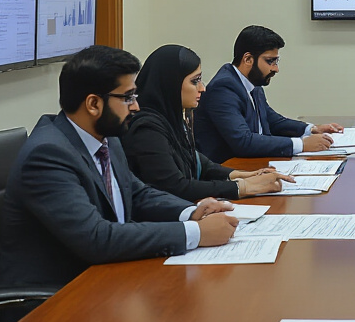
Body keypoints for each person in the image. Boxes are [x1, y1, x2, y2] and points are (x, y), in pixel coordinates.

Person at [0, 45, 238, 290]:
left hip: (107, 276)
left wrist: (191, 212)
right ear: (93, 104)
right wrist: (195, 233)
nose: (136, 107)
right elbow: (96, 237)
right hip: (56, 296)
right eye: (127, 97)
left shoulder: (106, 136)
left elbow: (136, 193)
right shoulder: (48, 155)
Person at [121, 44, 294, 204]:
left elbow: (198, 162)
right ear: (170, 84)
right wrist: (243, 187)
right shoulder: (146, 129)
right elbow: (175, 186)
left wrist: (243, 175)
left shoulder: (171, 117)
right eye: (194, 81)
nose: (202, 88)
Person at [194, 25, 343, 162]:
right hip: (230, 169)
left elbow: (271, 120)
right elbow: (243, 141)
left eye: (276, 61)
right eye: (270, 61)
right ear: (248, 59)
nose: (275, 69)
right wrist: (301, 144)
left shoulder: (251, 82)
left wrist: (310, 129)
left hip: (255, 163)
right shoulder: (223, 88)